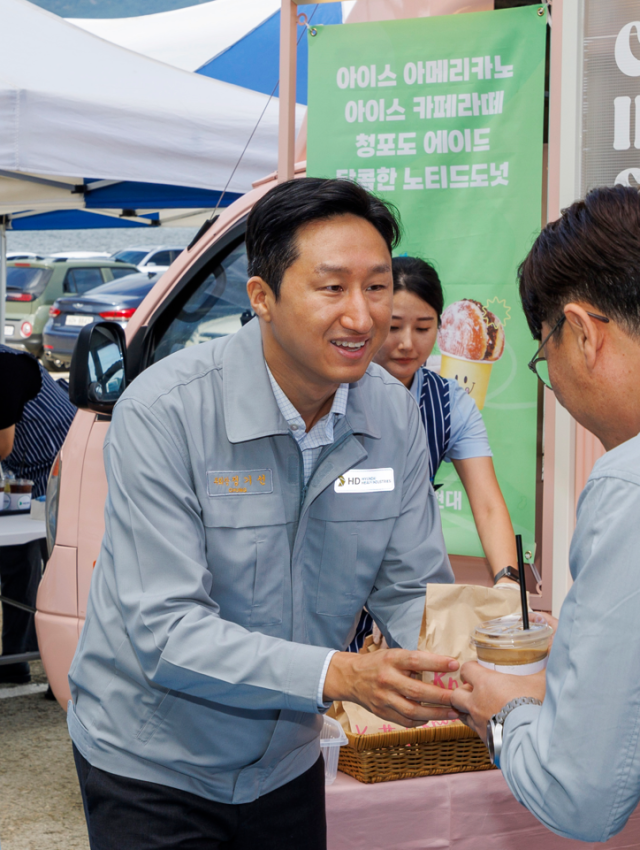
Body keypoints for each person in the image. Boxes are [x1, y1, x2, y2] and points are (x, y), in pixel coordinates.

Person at [68, 178, 460, 850]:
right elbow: (165, 632)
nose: (363, 317)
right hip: (153, 766)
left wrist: (479, 670)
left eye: (377, 287)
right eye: (332, 287)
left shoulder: (390, 413)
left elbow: (413, 589)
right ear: (262, 299)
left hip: (287, 765)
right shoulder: (167, 411)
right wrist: (339, 675)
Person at [450, 185, 640, 842]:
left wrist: (506, 713)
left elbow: (578, 790)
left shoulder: (628, 487)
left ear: (582, 333)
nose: (551, 381)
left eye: (543, 354)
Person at [349, 257, 518, 651]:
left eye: (423, 328)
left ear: (440, 329)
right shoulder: (336, 393)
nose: (407, 342)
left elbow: (488, 503)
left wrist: (508, 579)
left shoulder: (451, 404)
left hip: (408, 577)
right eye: (393, 327)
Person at [0, 346, 76, 684]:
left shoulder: (4, 368)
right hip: (26, 469)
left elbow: (2, 444)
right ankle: (17, 658)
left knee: (59, 566)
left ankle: (66, 670)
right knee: (19, 558)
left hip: (61, 458)